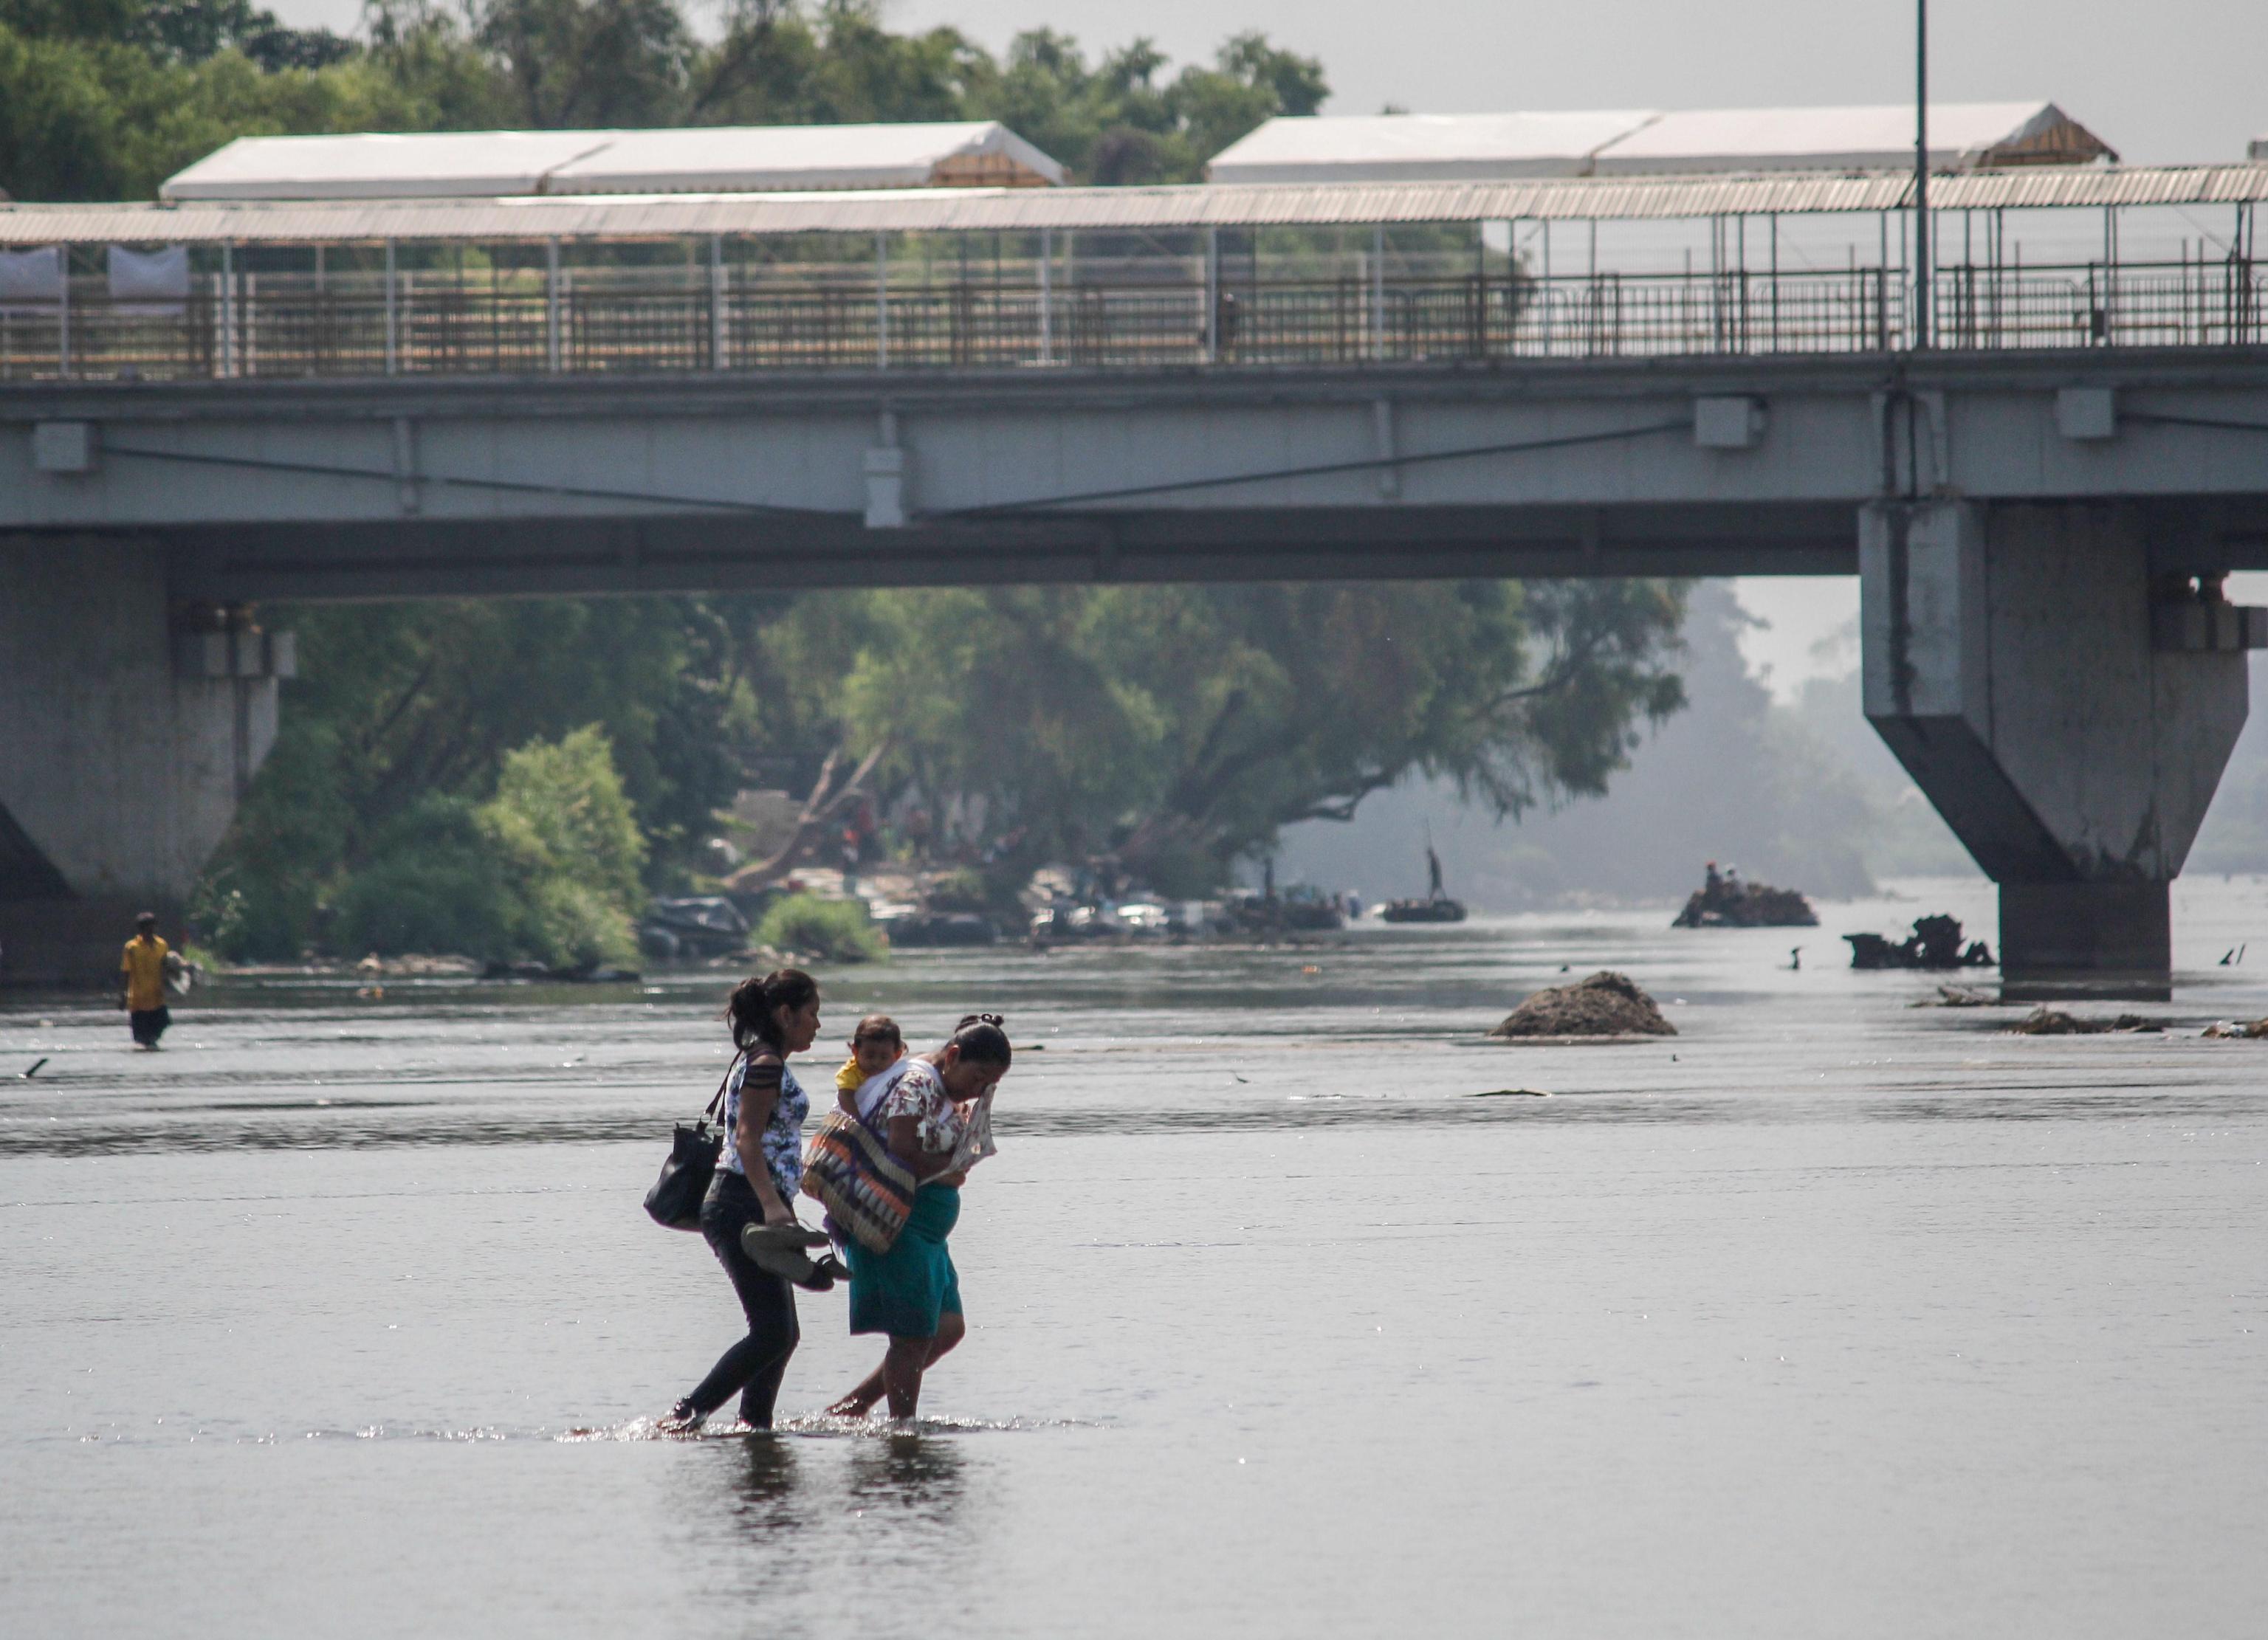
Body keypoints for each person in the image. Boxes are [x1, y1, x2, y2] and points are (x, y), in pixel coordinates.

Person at [662, 968, 833, 1433]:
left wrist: (782, 1208)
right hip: (740, 1203)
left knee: (783, 1334)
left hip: (754, 1201)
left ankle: (755, 1429)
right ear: (785, 1013)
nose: (818, 1024)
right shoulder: (764, 1065)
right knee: (773, 1331)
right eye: (812, 1014)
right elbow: (747, 1140)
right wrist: (773, 1208)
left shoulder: (762, 1058)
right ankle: (685, 1415)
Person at [828, 1014, 1012, 1422]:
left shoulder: (946, 1089)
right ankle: (903, 1432)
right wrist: (950, 1166)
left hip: (928, 1232)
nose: (979, 1090)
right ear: (954, 1055)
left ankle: (854, 1406)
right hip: (898, 1223)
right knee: (911, 1338)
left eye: (989, 1083)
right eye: (977, 1077)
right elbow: (901, 1147)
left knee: (947, 1329)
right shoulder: (919, 1083)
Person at [119, 912, 174, 1050]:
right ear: (141, 930)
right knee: (142, 1037)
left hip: (157, 997)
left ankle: (152, 1047)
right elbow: (126, 971)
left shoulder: (162, 945)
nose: (151, 931)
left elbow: (165, 967)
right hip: (138, 999)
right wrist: (123, 995)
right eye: (148, 929)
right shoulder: (132, 948)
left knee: (163, 1023)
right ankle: (146, 1049)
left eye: (153, 928)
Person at [834, 1014, 907, 1117]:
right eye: (869, 1056)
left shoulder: (899, 1073)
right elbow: (845, 1098)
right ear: (855, 1051)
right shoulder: (849, 1073)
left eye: (884, 1057)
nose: (876, 1062)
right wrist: (859, 1123)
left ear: (897, 1055)